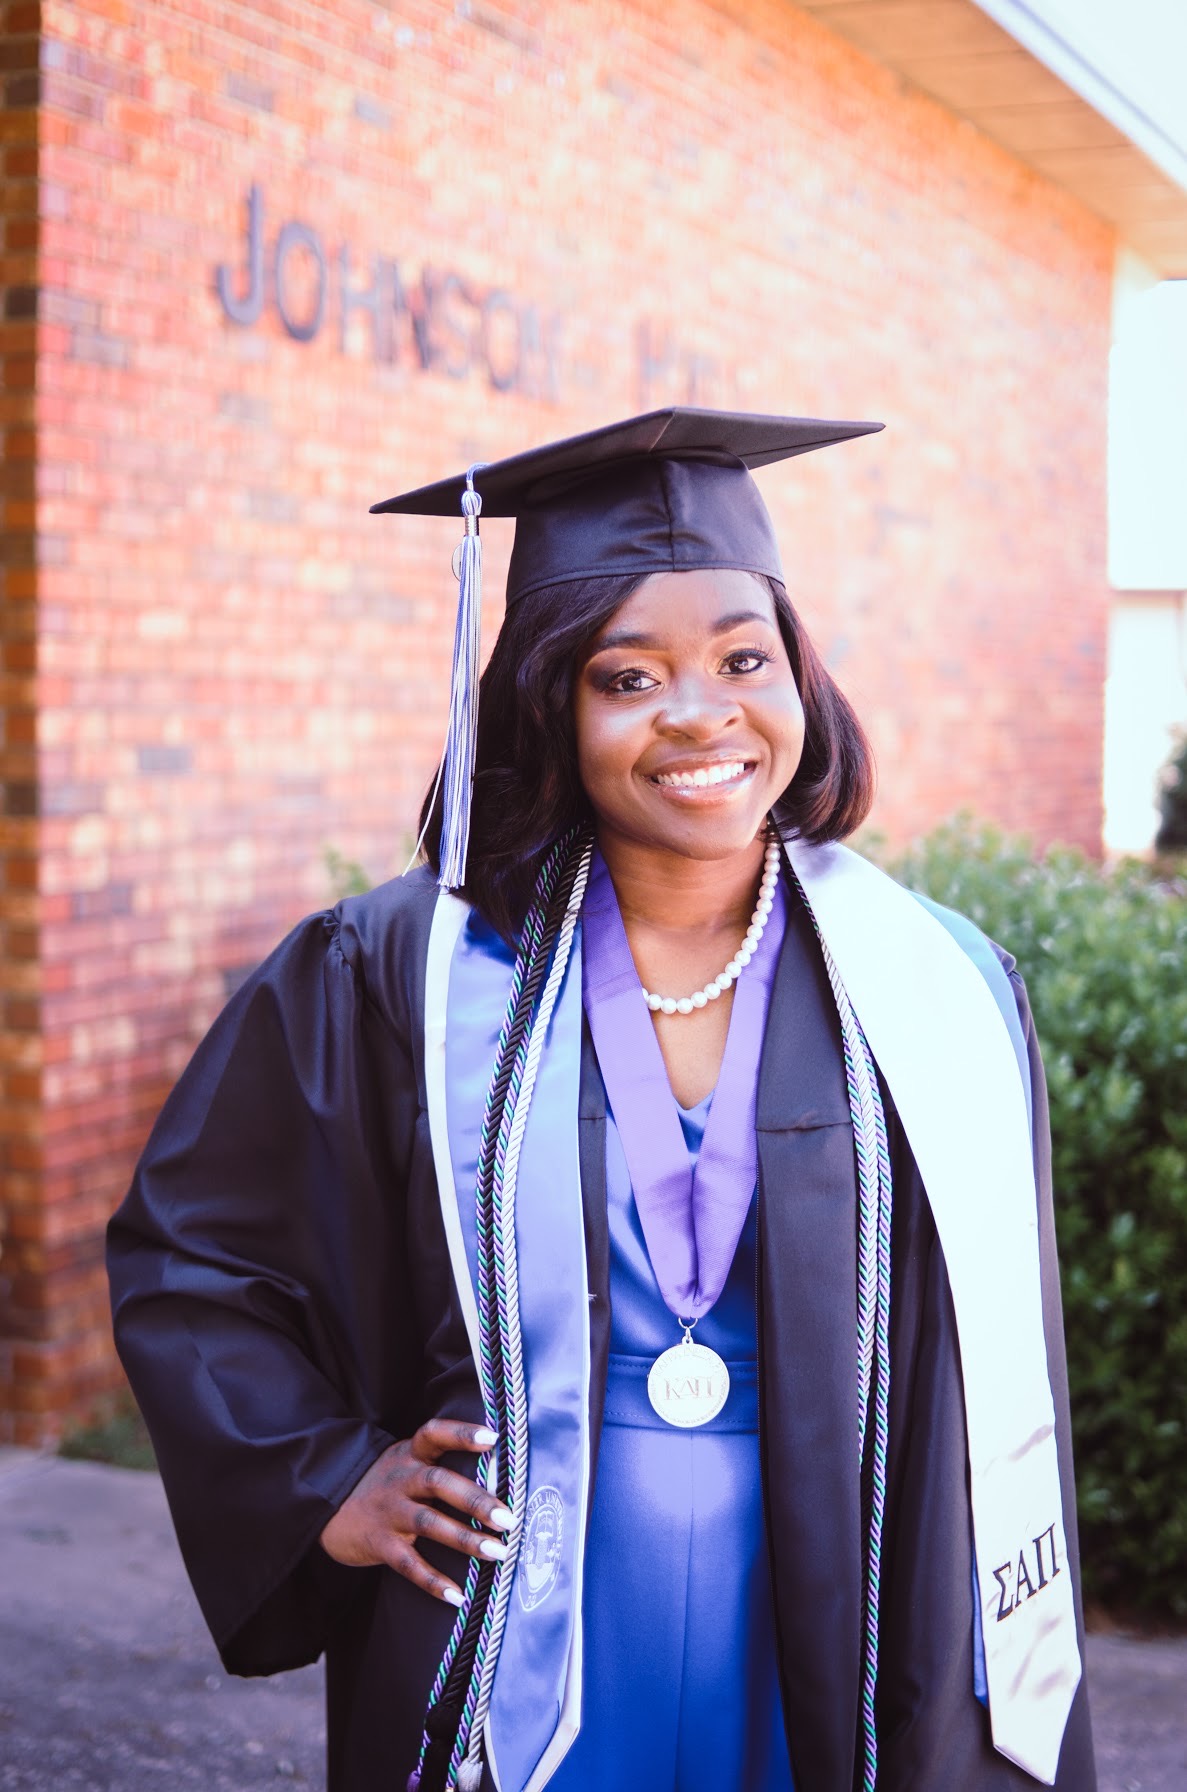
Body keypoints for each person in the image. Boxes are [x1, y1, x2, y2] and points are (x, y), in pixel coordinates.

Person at [108, 409, 1097, 1792]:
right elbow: (195, 1247)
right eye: (629, 677)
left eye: (744, 659)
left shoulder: (929, 989)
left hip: (838, 1609)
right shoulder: (402, 973)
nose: (701, 714)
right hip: (525, 1611)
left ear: (799, 677)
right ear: (552, 705)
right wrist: (324, 1480)